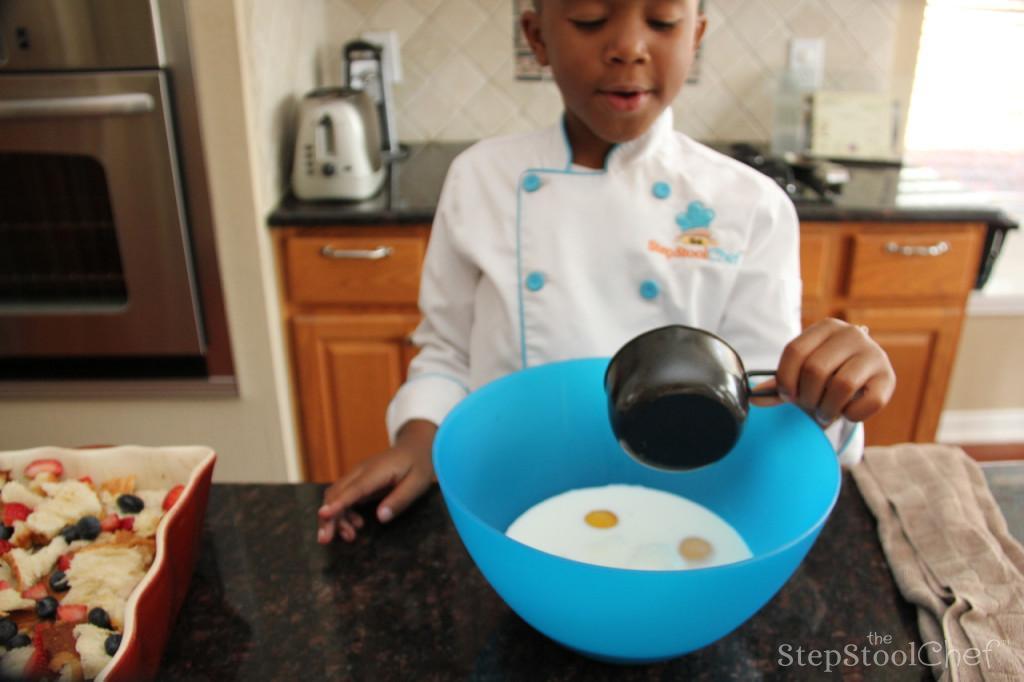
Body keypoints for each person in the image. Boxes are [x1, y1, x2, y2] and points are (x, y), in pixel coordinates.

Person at [317, 0, 896, 544]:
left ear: (695, 36)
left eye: (663, 21)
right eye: (591, 19)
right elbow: (445, 352)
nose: (628, 47)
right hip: (510, 505)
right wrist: (419, 437)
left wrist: (831, 388)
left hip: (684, 515)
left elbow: (766, 397)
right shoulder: (480, 179)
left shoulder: (750, 205)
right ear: (537, 36)